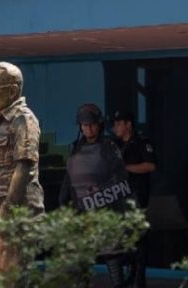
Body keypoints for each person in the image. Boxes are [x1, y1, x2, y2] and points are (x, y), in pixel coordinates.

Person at [0, 62, 45, 282]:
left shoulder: (23, 119)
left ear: (12, 91)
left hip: (15, 211)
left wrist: (7, 209)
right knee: (0, 275)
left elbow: (23, 166)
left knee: (12, 277)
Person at [59, 103, 133, 287]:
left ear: (99, 125)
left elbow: (118, 176)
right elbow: (70, 177)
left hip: (107, 206)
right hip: (83, 209)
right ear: (80, 127)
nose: (89, 129)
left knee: (112, 255)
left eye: (92, 124)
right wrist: (65, 202)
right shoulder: (76, 147)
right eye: (85, 125)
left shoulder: (109, 146)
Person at [111, 110, 156, 288]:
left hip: (137, 196)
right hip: (117, 197)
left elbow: (150, 165)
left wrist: (126, 168)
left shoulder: (141, 142)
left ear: (128, 124)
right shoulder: (114, 145)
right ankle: (129, 273)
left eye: (118, 123)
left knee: (138, 236)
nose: (115, 127)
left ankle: (139, 276)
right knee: (121, 237)